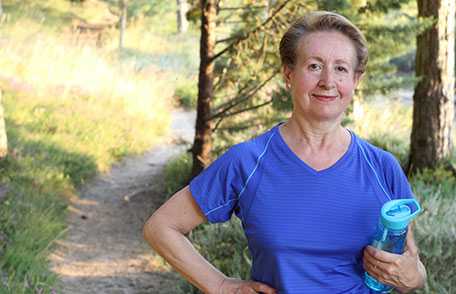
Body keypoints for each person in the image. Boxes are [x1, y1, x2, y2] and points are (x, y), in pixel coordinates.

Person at [143, 11, 427, 293]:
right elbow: (161, 227)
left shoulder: (382, 167)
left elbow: (411, 269)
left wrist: (414, 278)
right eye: (314, 66)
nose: (328, 81)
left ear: (355, 80)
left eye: (341, 68)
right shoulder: (247, 162)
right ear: (289, 74)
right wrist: (219, 285)